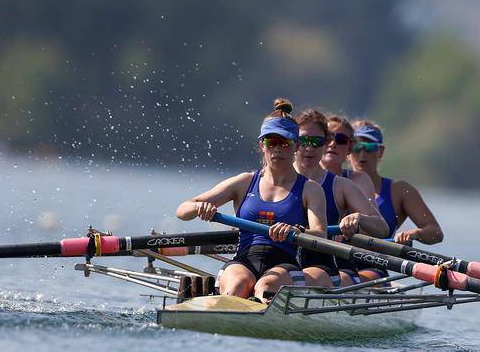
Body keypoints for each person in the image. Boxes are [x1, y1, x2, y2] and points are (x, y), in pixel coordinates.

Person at [175, 99, 329, 300]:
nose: (277, 149)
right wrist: (199, 208)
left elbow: (321, 235)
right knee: (238, 285)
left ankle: (259, 303)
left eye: (284, 142)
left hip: (284, 265)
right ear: (261, 145)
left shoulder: (310, 189)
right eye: (271, 142)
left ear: (296, 146)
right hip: (243, 261)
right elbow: (182, 211)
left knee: (266, 286)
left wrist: (296, 231)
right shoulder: (244, 182)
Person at [292, 108, 388, 288]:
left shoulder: (347, 184)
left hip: (334, 260)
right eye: (305, 140)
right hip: (285, 260)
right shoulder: (273, 178)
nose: (333, 144)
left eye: (341, 140)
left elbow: (381, 228)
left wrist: (358, 220)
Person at [347, 119, 444, 245]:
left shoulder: (399, 191)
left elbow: (436, 233)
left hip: (378, 261)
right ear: (348, 151)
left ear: (380, 152)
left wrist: (415, 234)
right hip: (340, 261)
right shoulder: (337, 183)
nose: (362, 154)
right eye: (357, 147)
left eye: (370, 147)